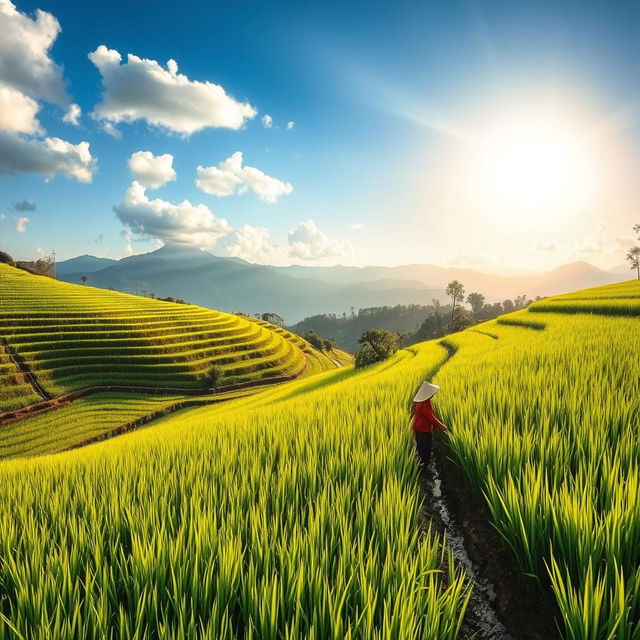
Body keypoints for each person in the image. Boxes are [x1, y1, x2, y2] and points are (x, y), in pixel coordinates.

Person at [412, 381, 447, 466]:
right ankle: (425, 466)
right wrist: (441, 425)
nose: (433, 394)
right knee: (426, 449)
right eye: (432, 393)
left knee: (420, 447)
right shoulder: (425, 402)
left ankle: (421, 463)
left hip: (417, 427)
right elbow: (430, 417)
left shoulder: (419, 400)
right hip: (424, 429)